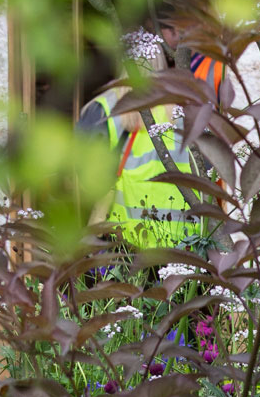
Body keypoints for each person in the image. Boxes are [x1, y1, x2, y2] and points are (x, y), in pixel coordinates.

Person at [78, 29, 227, 249]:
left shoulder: (104, 109)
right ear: (163, 60)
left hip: (128, 244)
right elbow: (211, 168)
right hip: (188, 243)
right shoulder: (188, 106)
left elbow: (83, 178)